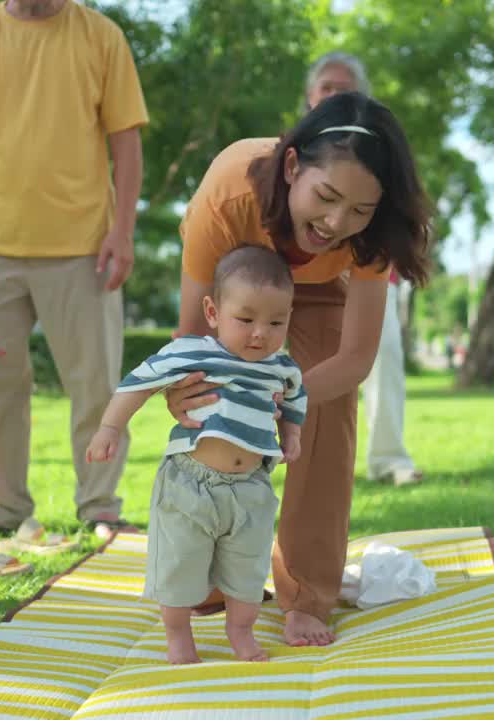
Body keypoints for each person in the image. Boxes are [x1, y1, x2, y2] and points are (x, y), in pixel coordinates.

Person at [165, 91, 432, 647]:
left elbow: (356, 357)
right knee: (211, 409)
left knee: (325, 409)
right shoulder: (229, 192)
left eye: (360, 210)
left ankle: (308, 593)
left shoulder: (371, 233)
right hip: (236, 287)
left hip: (317, 299)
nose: (337, 222)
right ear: (292, 168)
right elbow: (193, 331)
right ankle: (208, 575)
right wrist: (187, 392)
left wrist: (282, 397)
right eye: (327, 198)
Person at [0, 0, 148, 546]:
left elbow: (126, 142)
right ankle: (1, 507)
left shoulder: (100, 35)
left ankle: (100, 505)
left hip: (84, 248)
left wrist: (122, 232)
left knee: (96, 386)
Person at [87, 245, 306, 664]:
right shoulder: (192, 352)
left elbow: (296, 400)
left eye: (276, 321)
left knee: (248, 570)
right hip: (191, 483)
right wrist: (110, 426)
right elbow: (139, 382)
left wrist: (290, 434)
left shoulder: (281, 366)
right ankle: (178, 637)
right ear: (213, 312)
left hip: (252, 489)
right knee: (179, 564)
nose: (260, 332)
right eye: (245, 319)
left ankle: (241, 633)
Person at [303, 51, 423, 486]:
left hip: (366, 275)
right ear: (310, 98)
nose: (334, 95)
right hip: (296, 280)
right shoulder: (290, 154)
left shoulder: (379, 158)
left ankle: (389, 457)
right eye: (326, 88)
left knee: (383, 354)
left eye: (345, 89)